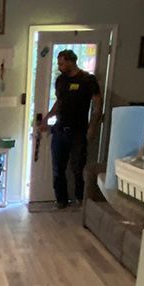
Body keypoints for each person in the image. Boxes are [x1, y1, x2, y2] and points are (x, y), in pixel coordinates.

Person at [45, 49, 102, 208]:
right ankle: (61, 200)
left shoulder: (88, 80)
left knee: (78, 168)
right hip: (60, 130)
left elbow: (97, 105)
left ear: (71, 61)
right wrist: (47, 118)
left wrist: (92, 128)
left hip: (78, 131)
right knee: (58, 168)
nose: (59, 66)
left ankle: (80, 199)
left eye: (62, 63)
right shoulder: (60, 80)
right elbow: (59, 103)